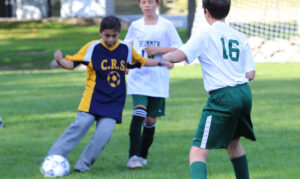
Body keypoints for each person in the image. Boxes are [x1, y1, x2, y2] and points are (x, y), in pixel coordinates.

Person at [45, 15, 173, 173]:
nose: (111, 39)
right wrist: (59, 61)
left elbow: (141, 61)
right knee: (79, 126)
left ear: (119, 33)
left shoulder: (125, 48)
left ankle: (82, 165)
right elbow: (71, 64)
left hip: (113, 103)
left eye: (114, 35)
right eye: (107, 35)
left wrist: (161, 62)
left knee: (103, 136)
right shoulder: (93, 47)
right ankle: (53, 157)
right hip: (92, 99)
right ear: (100, 32)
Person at [162, 0, 256, 178]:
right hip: (244, 94)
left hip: (223, 96)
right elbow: (250, 74)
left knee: (197, 152)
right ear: (227, 11)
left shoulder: (204, 34)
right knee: (233, 145)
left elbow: (178, 55)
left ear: (206, 12)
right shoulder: (239, 36)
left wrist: (164, 55)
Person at [124, 0, 183, 169]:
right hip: (138, 77)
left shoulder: (166, 25)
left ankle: (142, 156)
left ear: (157, 3)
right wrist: (125, 65)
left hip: (158, 79)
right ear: (139, 4)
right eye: (143, 2)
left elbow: (179, 48)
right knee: (139, 113)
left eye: (150, 2)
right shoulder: (135, 26)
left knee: (150, 120)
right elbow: (127, 47)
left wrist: (159, 51)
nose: (147, 5)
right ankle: (132, 157)